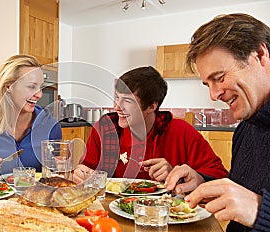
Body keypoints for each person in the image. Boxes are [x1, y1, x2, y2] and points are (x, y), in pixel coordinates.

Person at [165, 13, 270, 232]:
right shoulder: (247, 127)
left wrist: (260, 211)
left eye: (219, 78)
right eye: (207, 84)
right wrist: (202, 182)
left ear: (260, 55)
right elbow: (243, 191)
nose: (214, 94)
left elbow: (252, 203)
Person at [73, 66, 227, 182]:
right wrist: (81, 173)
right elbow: (87, 168)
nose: (116, 107)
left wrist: (177, 174)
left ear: (151, 106)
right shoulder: (105, 128)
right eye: (117, 97)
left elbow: (219, 176)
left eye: (127, 101)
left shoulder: (181, 131)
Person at [0, 54, 62, 174]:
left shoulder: (50, 126)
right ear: (8, 87)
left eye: (40, 87)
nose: (39, 95)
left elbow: (54, 177)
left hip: (35, 193)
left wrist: (61, 168)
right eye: (31, 86)